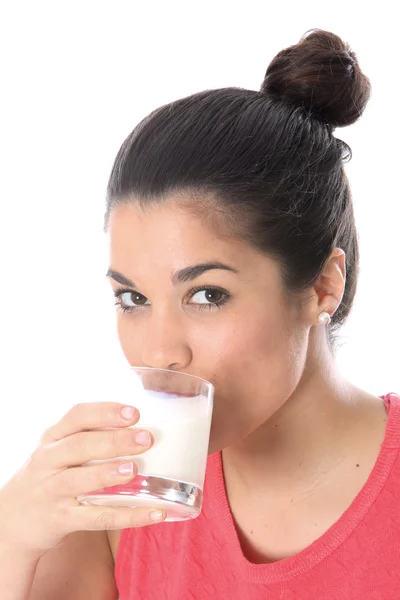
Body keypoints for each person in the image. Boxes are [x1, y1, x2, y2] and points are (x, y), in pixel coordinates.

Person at [1, 28, 399, 600]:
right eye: (133, 300)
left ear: (321, 286)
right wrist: (12, 534)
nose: (160, 351)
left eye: (207, 295)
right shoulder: (120, 506)